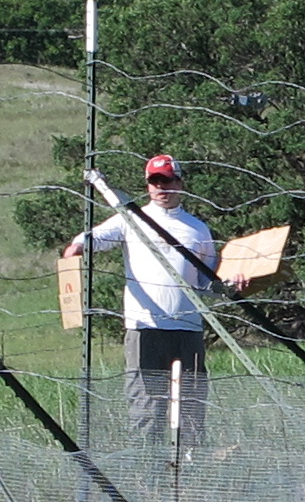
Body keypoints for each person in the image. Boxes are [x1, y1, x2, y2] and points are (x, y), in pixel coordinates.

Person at [63, 153, 217, 445]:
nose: (161, 188)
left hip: (188, 330)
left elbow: (207, 280)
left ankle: (192, 465)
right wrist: (78, 247)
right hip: (144, 329)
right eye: (155, 182)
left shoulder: (198, 229)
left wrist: (234, 281)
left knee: (192, 408)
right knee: (147, 408)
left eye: (167, 181)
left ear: (180, 183)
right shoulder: (131, 219)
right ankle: (148, 467)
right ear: (147, 185)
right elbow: (94, 238)